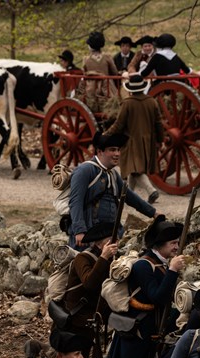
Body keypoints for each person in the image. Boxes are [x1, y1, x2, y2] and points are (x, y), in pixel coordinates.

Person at [106, 215, 187, 358]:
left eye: (177, 242)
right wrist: (173, 270)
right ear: (159, 245)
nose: (176, 247)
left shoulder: (159, 262)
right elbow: (157, 297)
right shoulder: (144, 265)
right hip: (138, 331)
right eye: (173, 243)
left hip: (150, 328)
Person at [68, 131, 157, 250]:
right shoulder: (85, 171)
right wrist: (79, 231)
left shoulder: (113, 174)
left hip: (107, 235)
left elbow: (130, 197)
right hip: (87, 235)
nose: (117, 154)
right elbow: (75, 202)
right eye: (112, 150)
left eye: (118, 150)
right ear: (100, 151)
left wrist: (153, 213)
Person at [61, 221, 118, 358]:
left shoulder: (114, 259)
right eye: (110, 242)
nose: (115, 245)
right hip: (76, 320)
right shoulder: (83, 258)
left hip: (93, 319)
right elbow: (89, 283)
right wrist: (103, 258)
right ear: (99, 245)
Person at [105, 74, 164, 204]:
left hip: (131, 142)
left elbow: (119, 125)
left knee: (135, 170)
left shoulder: (127, 103)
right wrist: (161, 139)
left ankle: (151, 191)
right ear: (142, 88)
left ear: (130, 89)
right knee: (132, 169)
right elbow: (159, 123)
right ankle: (125, 195)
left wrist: (106, 134)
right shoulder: (152, 101)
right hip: (148, 141)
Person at [81, 31, 118, 112]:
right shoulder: (107, 57)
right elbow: (114, 72)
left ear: (90, 46)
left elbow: (84, 74)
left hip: (91, 90)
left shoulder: (86, 59)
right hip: (107, 88)